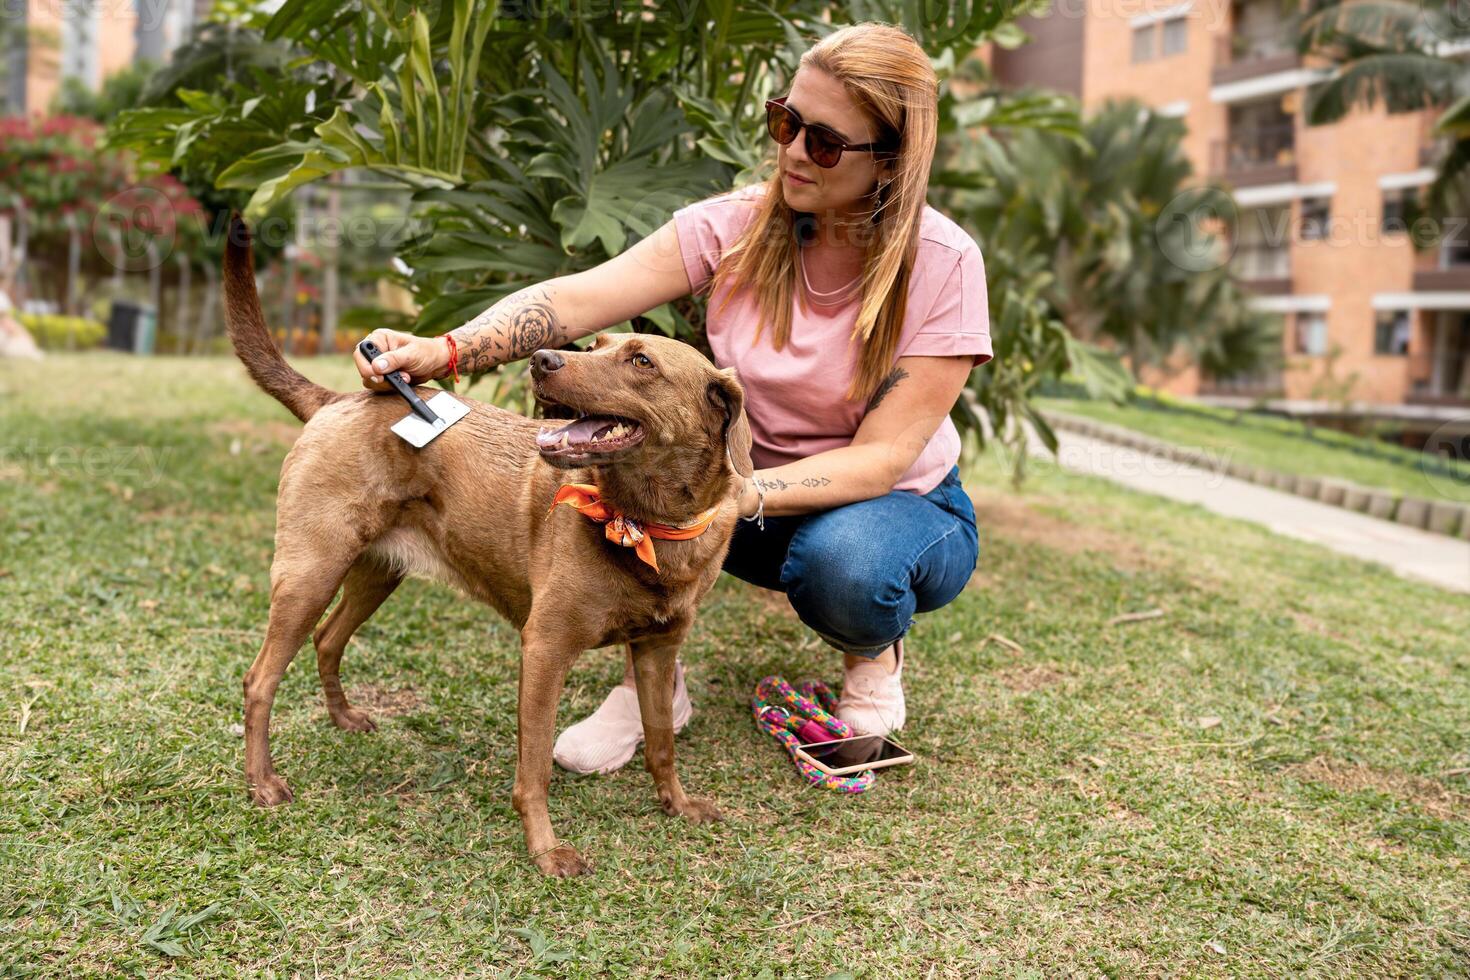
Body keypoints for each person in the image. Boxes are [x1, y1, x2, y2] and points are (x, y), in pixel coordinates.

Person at [353, 21, 990, 775]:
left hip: (891, 505)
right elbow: (579, 298)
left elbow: (882, 459)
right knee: (629, 496)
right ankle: (654, 683)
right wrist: (447, 349)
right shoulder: (737, 226)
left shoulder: (943, 263)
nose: (791, 151)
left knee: (845, 565)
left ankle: (871, 656)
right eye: (785, 121)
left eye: (823, 142)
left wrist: (726, 498)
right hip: (732, 481)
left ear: (889, 162)